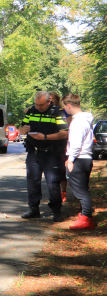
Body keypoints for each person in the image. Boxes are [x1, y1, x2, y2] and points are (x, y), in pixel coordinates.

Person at [18, 91, 69, 221]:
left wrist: (45, 137)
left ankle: (56, 210)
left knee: (53, 183)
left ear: (48, 101)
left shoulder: (57, 111)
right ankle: (34, 209)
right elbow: (21, 127)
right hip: (33, 152)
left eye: (41, 105)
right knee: (32, 182)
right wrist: (22, 130)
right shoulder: (31, 110)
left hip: (51, 153)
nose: (39, 107)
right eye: (37, 104)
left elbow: (64, 133)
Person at [62, 94, 96, 230]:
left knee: (81, 191)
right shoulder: (86, 119)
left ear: (69, 105)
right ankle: (84, 215)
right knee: (83, 189)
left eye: (64, 107)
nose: (65, 109)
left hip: (79, 159)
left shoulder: (78, 122)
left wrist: (70, 159)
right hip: (85, 158)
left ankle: (87, 218)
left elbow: (76, 143)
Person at [50, 92, 70, 202]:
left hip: (62, 144)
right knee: (53, 171)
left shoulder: (63, 112)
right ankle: (56, 192)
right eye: (49, 98)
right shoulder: (46, 111)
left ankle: (63, 191)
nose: (51, 100)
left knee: (62, 171)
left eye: (53, 98)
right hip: (51, 144)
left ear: (57, 100)